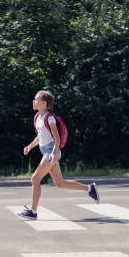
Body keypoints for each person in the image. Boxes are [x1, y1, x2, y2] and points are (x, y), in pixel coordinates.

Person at [19, 90, 100, 220]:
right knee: (60, 183)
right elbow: (40, 137)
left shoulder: (49, 118)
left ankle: (33, 212)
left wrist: (52, 153)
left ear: (43, 103)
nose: (33, 101)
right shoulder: (37, 117)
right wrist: (29, 146)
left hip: (52, 152)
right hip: (46, 152)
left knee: (34, 179)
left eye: (35, 99)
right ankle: (90, 188)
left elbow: (56, 138)